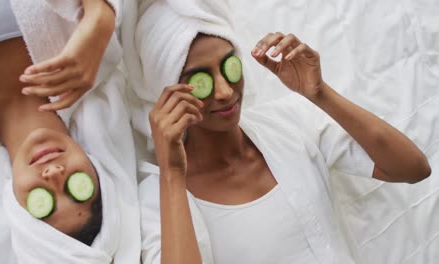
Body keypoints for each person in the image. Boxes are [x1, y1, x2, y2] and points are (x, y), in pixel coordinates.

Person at [136, 0, 431, 263]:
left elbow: (413, 167)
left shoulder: (288, 121)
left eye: (229, 66)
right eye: (201, 80)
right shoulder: (158, 194)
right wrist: (172, 171)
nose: (226, 92)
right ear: (168, 91)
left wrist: (319, 94)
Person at [0, 0, 140, 263]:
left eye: (43, 203)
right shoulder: (92, 46)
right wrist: (101, 13)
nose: (54, 176)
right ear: (98, 174)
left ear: (16, 208)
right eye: (77, 189)